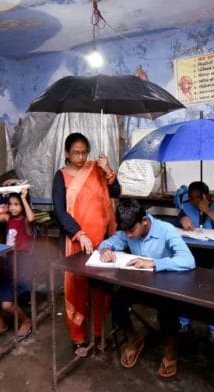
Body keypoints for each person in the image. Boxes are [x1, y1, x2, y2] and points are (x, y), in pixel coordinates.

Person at [98, 199, 195, 378]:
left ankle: (171, 348)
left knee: (167, 311)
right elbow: (108, 243)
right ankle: (133, 339)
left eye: (131, 231)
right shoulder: (128, 229)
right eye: (125, 231)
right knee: (117, 305)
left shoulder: (166, 230)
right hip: (139, 282)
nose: (128, 235)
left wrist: (154, 262)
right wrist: (105, 250)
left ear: (144, 221)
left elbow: (188, 261)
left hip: (164, 282)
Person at [52, 132, 120, 357]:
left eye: (84, 152)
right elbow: (59, 211)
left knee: (101, 287)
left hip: (101, 240)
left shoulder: (96, 168)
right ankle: (78, 338)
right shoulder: (60, 176)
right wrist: (79, 234)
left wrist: (108, 170)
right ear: (67, 154)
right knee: (76, 288)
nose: (80, 157)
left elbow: (116, 192)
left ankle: (99, 333)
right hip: (77, 240)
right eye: (75, 153)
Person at [176, 181, 214, 343]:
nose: (195, 201)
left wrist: (208, 211)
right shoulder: (187, 207)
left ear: (207, 196)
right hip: (194, 255)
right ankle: (184, 322)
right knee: (185, 288)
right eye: (191, 198)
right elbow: (179, 220)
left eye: (198, 197)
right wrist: (183, 219)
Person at [0, 187, 34, 342]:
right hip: (8, 264)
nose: (12, 207)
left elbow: (30, 218)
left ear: (23, 205)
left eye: (16, 204)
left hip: (22, 266)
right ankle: (2, 325)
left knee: (6, 305)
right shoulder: (7, 218)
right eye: (10, 204)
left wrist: (24, 198)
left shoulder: (26, 222)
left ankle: (26, 321)